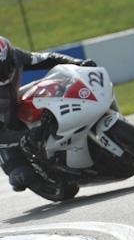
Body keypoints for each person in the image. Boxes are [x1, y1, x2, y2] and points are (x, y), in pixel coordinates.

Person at [0, 36, 96, 191]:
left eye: (4, 66)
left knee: (51, 90)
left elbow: (46, 58)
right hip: (4, 131)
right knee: (22, 176)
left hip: (17, 103)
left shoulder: (17, 56)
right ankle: (21, 168)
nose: (3, 73)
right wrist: (24, 136)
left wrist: (77, 63)